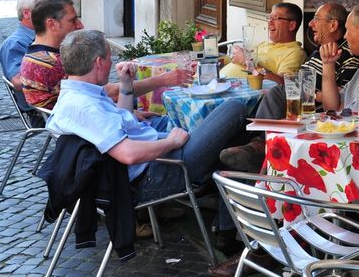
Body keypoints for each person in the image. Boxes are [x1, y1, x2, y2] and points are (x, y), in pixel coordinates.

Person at [44, 30, 247, 254]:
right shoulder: (83, 106)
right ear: (99, 62)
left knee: (232, 143)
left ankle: (226, 230)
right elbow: (128, 154)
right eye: (110, 57)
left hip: (151, 160)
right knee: (234, 109)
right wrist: (170, 142)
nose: (112, 63)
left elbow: (120, 121)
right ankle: (228, 227)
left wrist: (126, 84)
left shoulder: (80, 94)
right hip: (158, 172)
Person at [219, 2, 359, 171]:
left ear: (333, 25)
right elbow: (294, 82)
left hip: (313, 114)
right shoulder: (319, 51)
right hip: (292, 104)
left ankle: (260, 149)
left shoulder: (347, 56)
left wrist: (311, 95)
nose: (310, 24)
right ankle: (248, 150)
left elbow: (344, 96)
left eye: (316, 19)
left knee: (274, 94)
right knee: (243, 115)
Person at [20, 0, 190, 110]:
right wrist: (163, 80)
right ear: (52, 24)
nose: (80, 25)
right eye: (72, 20)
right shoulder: (53, 63)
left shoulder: (35, 54)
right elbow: (110, 93)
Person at [0, 0, 53, 125]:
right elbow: (18, 81)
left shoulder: (47, 37)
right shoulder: (15, 43)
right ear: (27, 13)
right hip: (41, 110)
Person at [220, 2, 307, 84]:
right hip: (219, 84)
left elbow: (282, 84)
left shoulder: (295, 53)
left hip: (243, 95)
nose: (270, 22)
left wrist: (247, 62)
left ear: (291, 25)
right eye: (269, 18)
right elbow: (239, 61)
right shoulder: (264, 44)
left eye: (276, 18)